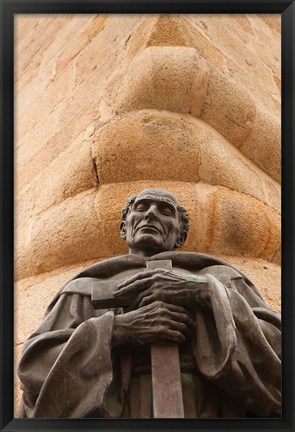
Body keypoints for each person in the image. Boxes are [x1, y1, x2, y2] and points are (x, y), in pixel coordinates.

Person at [17, 188, 281, 418]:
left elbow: (278, 351)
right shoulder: (84, 288)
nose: (151, 214)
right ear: (124, 227)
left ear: (179, 236)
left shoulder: (222, 278)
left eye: (165, 211)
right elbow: (35, 370)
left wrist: (204, 293)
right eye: (142, 207)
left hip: (208, 410)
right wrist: (118, 330)